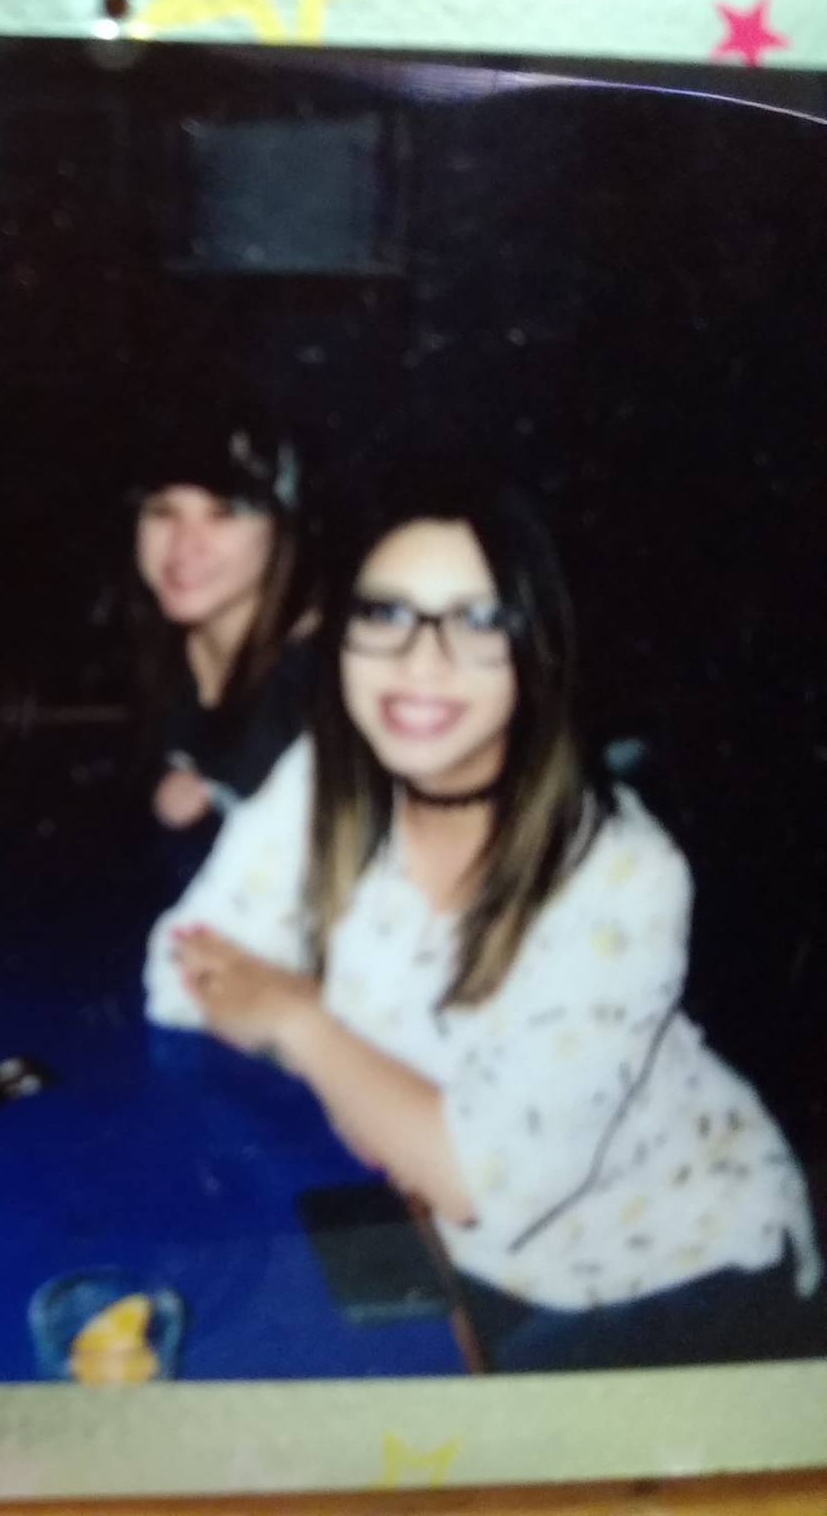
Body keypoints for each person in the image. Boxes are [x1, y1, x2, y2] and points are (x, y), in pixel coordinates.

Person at [144, 482, 821, 1371]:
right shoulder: (323, 777)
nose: (421, 661)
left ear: (538, 649)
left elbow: (486, 1184)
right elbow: (178, 971)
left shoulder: (622, 872)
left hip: (664, 1273)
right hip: (436, 1237)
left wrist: (302, 1023)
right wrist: (384, 1105)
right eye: (387, 613)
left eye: (478, 619)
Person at [130, 410, 316, 836]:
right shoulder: (162, 662)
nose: (183, 545)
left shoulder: (322, 687)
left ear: (279, 529)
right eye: (163, 511)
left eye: (224, 512)